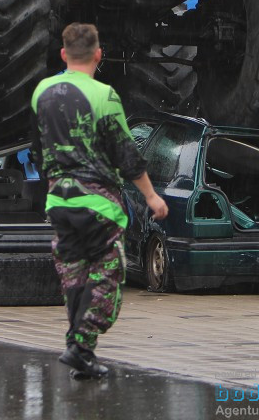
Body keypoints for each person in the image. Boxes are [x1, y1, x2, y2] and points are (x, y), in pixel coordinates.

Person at [30, 22, 168, 379]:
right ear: (98, 55)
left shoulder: (42, 93)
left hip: (58, 203)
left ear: (63, 54)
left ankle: (80, 353)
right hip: (98, 205)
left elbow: (39, 146)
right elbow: (126, 155)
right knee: (108, 277)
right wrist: (151, 197)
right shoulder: (105, 97)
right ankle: (81, 344)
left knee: (73, 277)